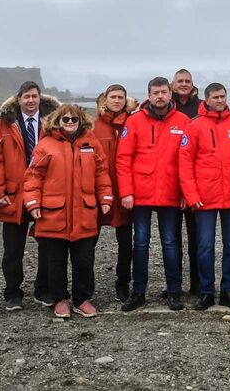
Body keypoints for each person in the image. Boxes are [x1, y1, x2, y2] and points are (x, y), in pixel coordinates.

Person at [23, 103, 113, 319]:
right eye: (66, 119)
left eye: (74, 119)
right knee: (56, 261)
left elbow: (101, 173)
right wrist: (33, 203)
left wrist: (106, 198)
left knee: (84, 259)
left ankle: (82, 298)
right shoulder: (45, 145)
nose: (70, 123)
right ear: (57, 121)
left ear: (81, 121)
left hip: (84, 212)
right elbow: (33, 177)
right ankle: (59, 299)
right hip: (54, 214)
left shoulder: (92, 143)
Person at [179, 82, 230, 311]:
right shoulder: (194, 125)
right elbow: (185, 164)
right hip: (205, 197)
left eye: (223, 96)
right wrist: (191, 195)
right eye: (215, 97)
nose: (220, 100)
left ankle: (228, 290)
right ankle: (206, 291)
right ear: (207, 99)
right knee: (205, 246)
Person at [116, 76, 189, 311]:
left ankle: (174, 291)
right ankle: (138, 292)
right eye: (155, 92)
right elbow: (123, 159)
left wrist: (186, 192)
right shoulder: (135, 121)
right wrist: (126, 192)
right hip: (141, 194)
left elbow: (188, 160)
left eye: (163, 92)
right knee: (141, 243)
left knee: (170, 243)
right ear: (149, 95)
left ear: (170, 94)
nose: (160, 96)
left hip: (170, 192)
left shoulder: (183, 121)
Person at [0, 80, 59, 311]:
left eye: (34, 96)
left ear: (40, 99)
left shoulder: (53, 123)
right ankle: (12, 293)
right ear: (19, 99)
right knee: (13, 248)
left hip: (45, 193)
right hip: (14, 194)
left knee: (47, 245)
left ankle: (43, 290)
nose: (30, 100)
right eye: (26, 96)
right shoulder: (4, 124)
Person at [91, 83, 136, 302]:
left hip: (125, 191)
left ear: (125, 100)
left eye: (120, 97)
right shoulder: (93, 125)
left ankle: (123, 283)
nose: (116, 101)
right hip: (97, 191)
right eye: (113, 97)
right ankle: (86, 286)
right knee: (89, 241)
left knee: (126, 243)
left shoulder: (132, 122)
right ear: (105, 99)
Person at [171, 68, 202, 295]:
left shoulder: (201, 107)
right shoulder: (164, 106)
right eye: (180, 81)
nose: (183, 84)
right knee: (172, 240)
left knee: (196, 238)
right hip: (170, 181)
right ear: (173, 84)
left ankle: (197, 283)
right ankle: (174, 285)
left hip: (195, 180)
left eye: (187, 81)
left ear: (193, 84)